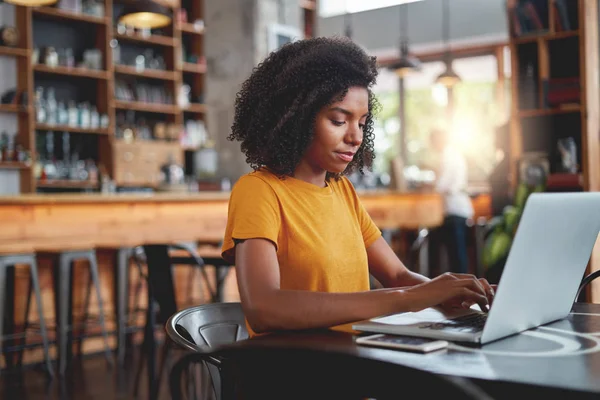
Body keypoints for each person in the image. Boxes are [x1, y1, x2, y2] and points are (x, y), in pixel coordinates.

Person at [221, 37, 494, 337]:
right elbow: (264, 308)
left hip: (354, 361)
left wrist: (448, 292)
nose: (355, 137)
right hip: (295, 370)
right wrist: (411, 299)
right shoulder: (259, 191)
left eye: (362, 124)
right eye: (339, 121)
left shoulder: (342, 191)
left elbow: (397, 275)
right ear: (295, 119)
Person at [428, 128, 474, 275]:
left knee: (457, 254)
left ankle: (461, 287)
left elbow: (443, 183)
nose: (432, 145)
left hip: (455, 209)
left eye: (433, 141)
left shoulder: (448, 155)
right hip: (455, 209)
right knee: (455, 253)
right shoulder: (452, 154)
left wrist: (430, 187)